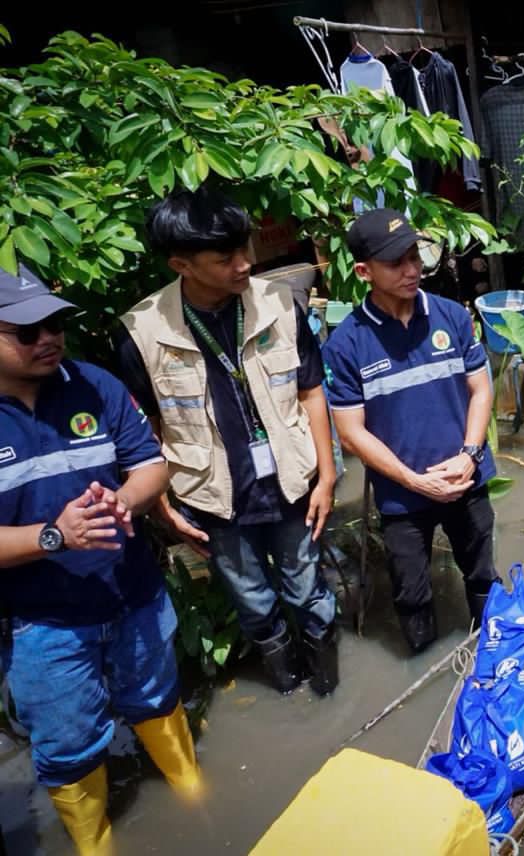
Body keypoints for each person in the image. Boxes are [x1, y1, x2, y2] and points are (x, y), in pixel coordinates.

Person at [0, 266, 203, 854]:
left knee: (156, 696)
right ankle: (96, 844)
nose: (48, 338)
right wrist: (54, 536)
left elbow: (152, 464)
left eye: (55, 324)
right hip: (42, 622)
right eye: (27, 329)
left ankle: (194, 795)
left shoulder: (95, 385)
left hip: (131, 593)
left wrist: (124, 499)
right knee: (66, 743)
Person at [117, 187, 340, 696]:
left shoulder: (278, 304)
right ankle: (287, 683)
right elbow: (144, 429)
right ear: (182, 264)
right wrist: (160, 505)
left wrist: (326, 475)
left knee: (308, 588)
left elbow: (310, 391)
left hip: (291, 483)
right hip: (215, 498)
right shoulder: (141, 332)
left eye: (246, 249)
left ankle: (327, 687)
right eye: (227, 258)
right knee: (254, 601)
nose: (245, 264)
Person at [323, 208, 497, 652]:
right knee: (411, 592)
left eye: (414, 256)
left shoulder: (452, 316)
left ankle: (496, 649)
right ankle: (423, 662)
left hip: (465, 478)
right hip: (402, 495)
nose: (411, 269)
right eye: (395, 262)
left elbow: (480, 390)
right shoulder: (346, 343)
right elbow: (350, 433)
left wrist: (469, 456)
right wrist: (414, 480)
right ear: (364, 272)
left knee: (480, 573)